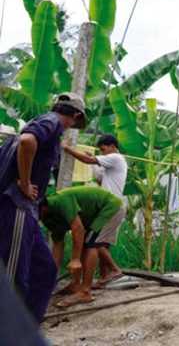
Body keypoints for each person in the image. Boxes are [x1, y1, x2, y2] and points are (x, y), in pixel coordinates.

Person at [0, 92, 87, 324]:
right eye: (76, 123)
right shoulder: (51, 122)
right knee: (14, 278)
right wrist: (25, 182)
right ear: (75, 116)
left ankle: (26, 331)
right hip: (16, 206)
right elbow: (27, 141)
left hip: (27, 212)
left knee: (45, 271)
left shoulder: (44, 124)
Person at [40, 186, 125, 307]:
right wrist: (54, 272)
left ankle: (85, 291)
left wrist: (75, 259)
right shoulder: (47, 218)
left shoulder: (59, 201)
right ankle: (75, 284)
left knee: (91, 244)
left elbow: (78, 228)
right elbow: (58, 243)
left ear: (43, 208)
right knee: (86, 243)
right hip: (95, 215)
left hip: (110, 207)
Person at [61, 133, 127, 286]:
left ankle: (115, 269)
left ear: (112, 146)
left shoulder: (116, 158)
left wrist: (67, 149)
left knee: (95, 242)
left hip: (110, 206)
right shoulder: (113, 165)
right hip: (113, 204)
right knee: (104, 242)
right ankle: (103, 278)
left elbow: (87, 159)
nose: (102, 154)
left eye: (103, 150)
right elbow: (100, 179)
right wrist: (93, 164)